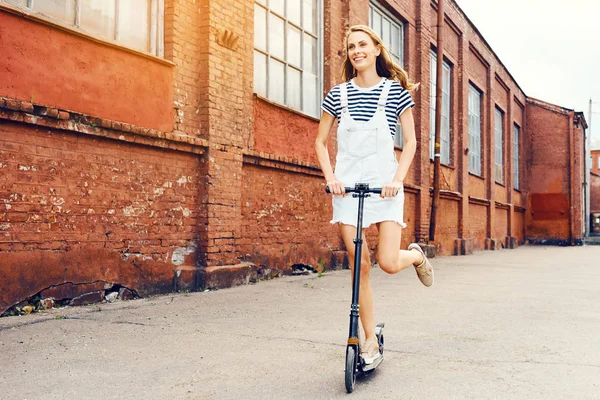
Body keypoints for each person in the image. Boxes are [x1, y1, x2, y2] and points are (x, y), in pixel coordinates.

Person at [314, 25, 434, 368]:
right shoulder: (337, 94)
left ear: (377, 49)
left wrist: (397, 180)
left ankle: (414, 256)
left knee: (387, 263)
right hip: (348, 190)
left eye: (362, 44)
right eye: (351, 46)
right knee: (360, 267)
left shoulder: (395, 92)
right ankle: (368, 341)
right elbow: (320, 143)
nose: (356, 50)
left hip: (385, 188)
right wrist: (332, 178)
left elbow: (410, 142)